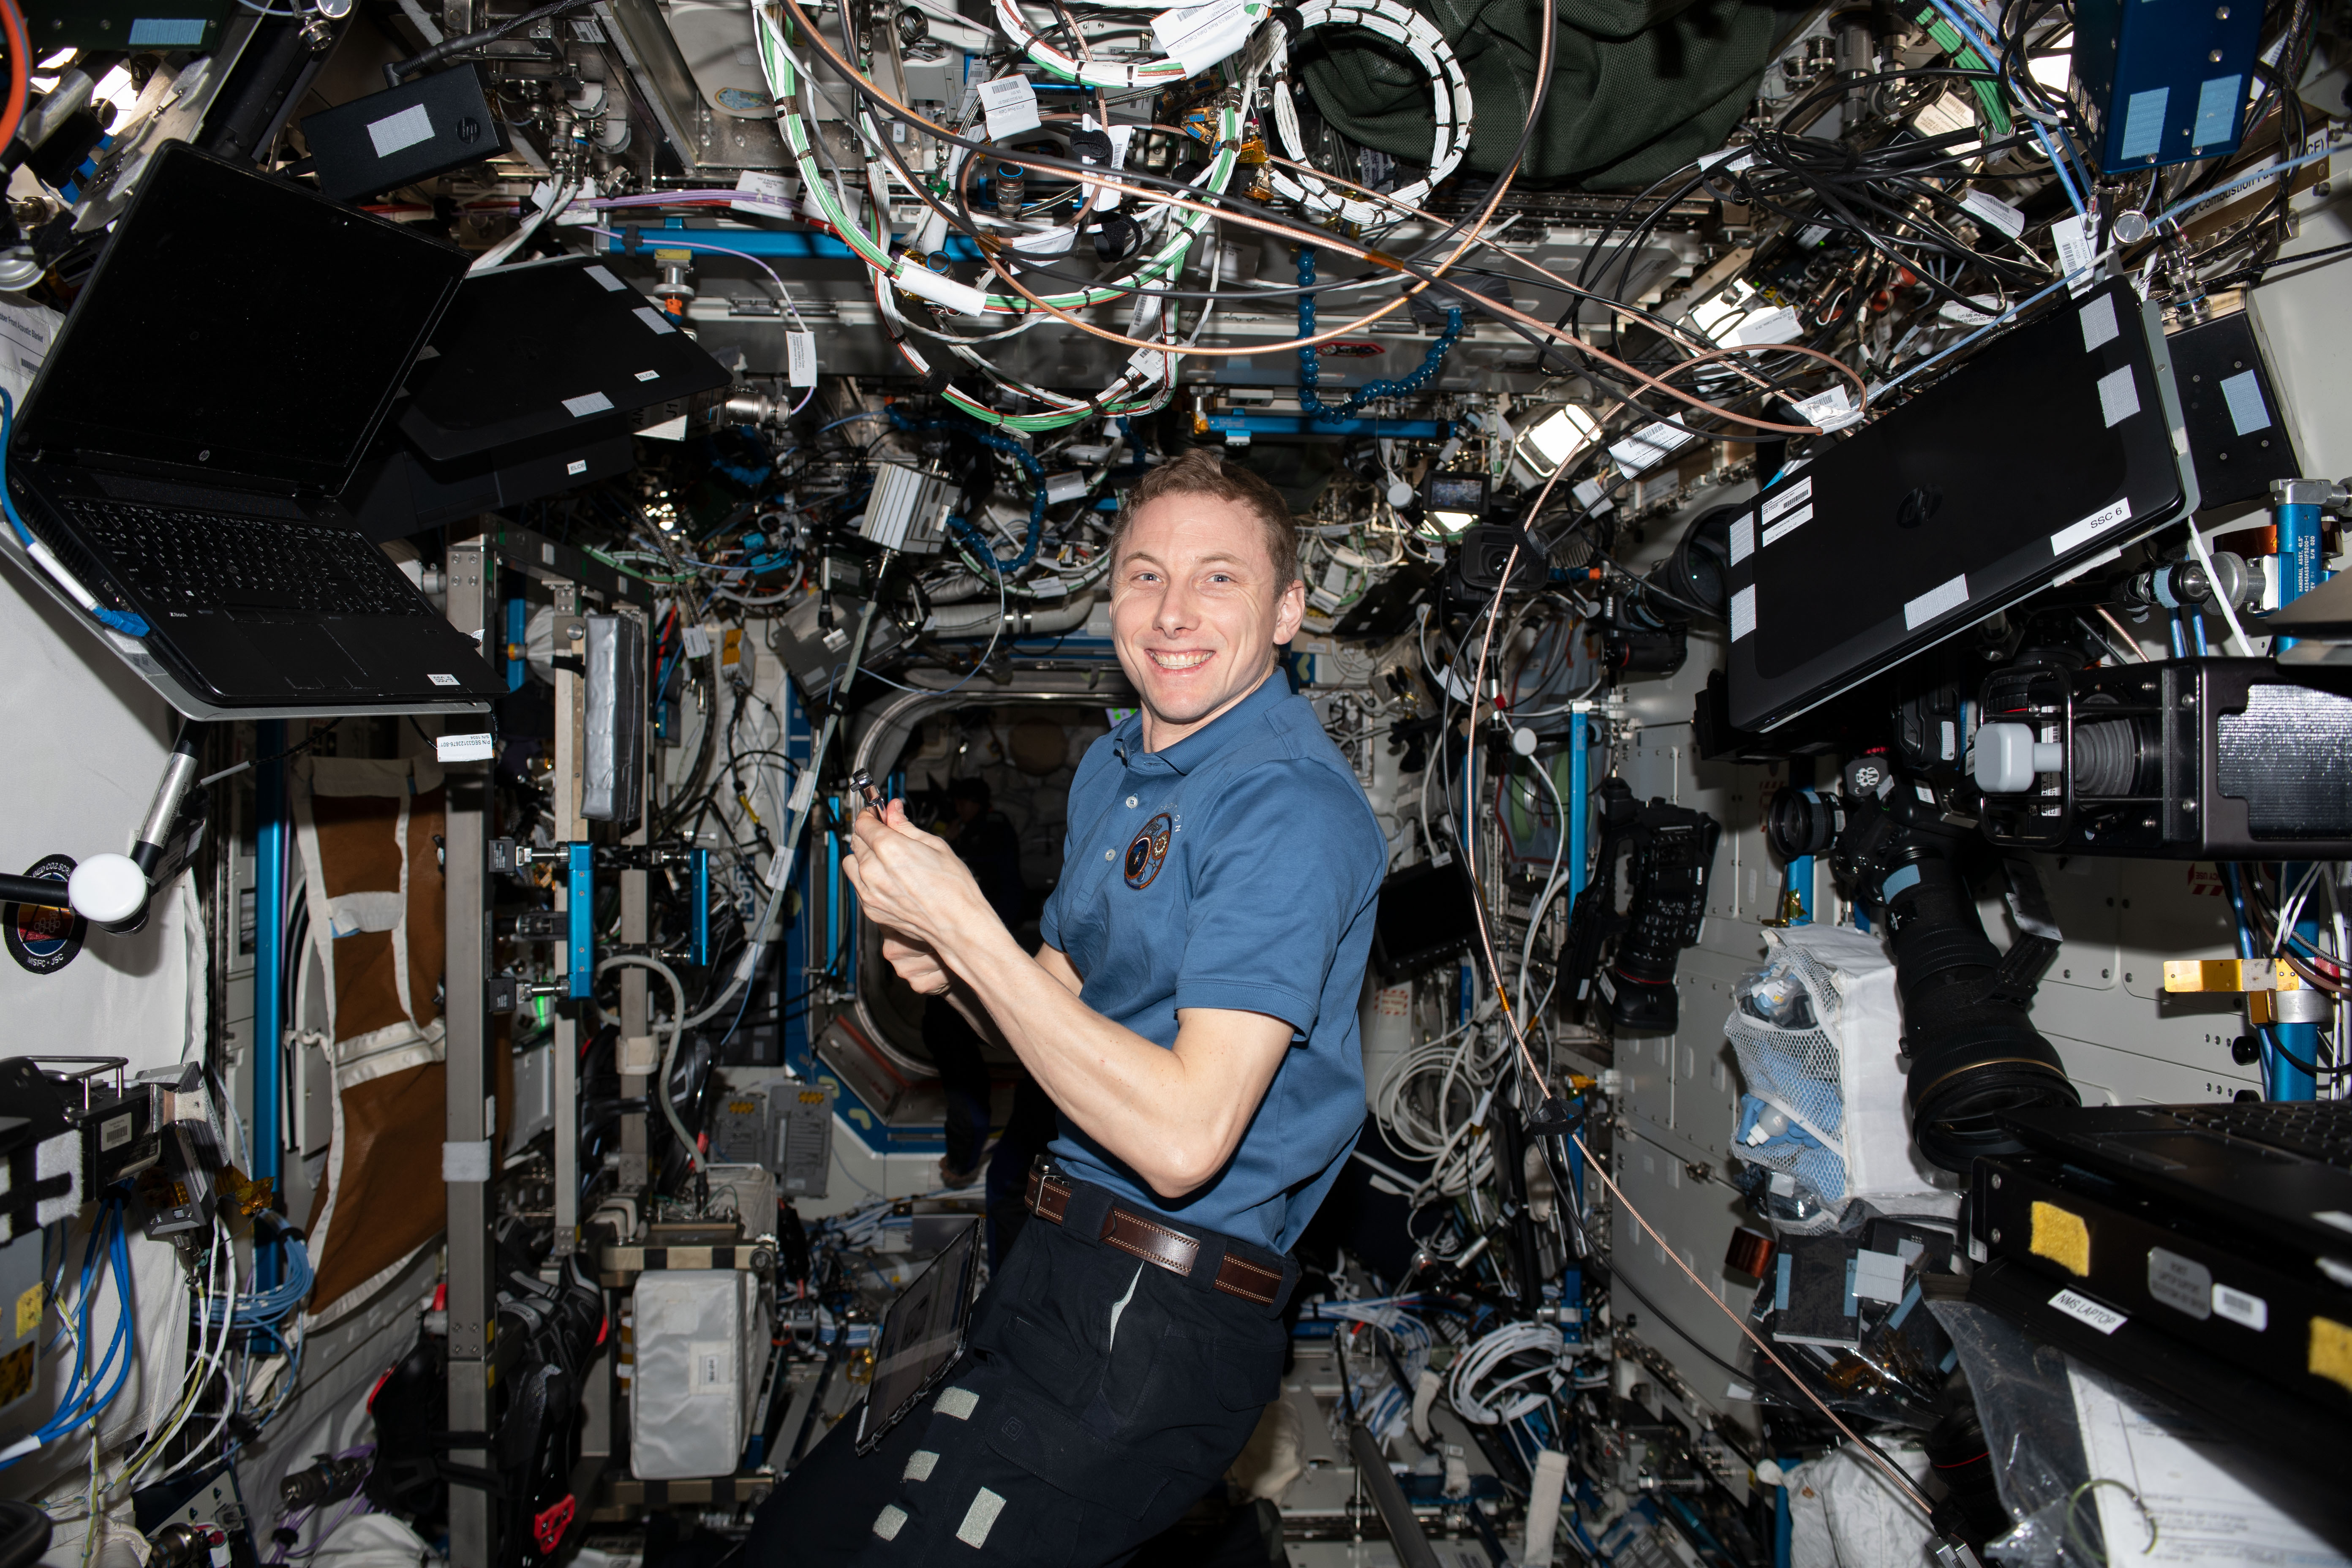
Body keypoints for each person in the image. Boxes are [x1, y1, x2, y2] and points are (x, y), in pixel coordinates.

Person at [744, 449, 1387, 1564]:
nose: (1173, 613)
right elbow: (1065, 1003)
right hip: (1057, 1265)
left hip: (1161, 1312)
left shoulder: (1288, 810)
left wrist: (970, 933)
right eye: (1145, 576)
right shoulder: (1114, 770)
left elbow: (1186, 1140)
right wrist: (958, 969)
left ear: (1289, 611)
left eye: (1220, 579)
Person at [920, 775, 1059, 1265]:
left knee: (1008, 1187)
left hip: (987, 952)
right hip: (989, 956)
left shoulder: (990, 835)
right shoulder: (981, 834)